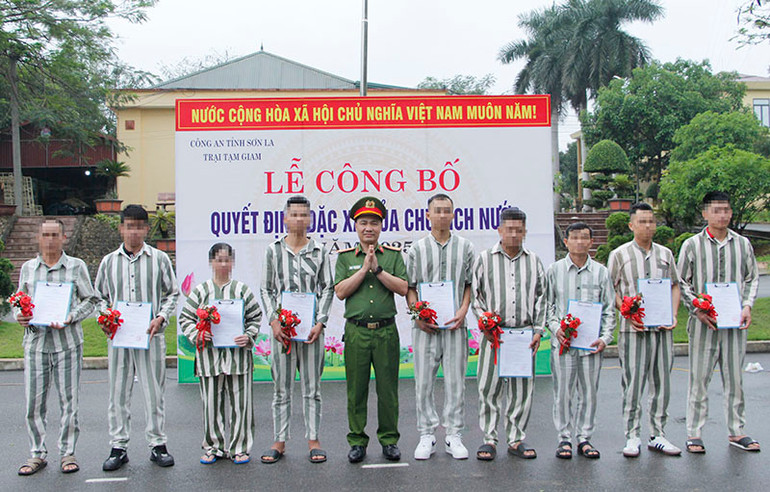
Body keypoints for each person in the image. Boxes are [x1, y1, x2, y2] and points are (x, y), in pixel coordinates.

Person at [94, 205, 179, 471]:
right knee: (118, 393)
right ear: (121, 228)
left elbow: (173, 294)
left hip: (150, 335)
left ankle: (158, 445)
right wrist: (105, 318)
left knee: (154, 392)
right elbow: (98, 297)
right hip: (119, 337)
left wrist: (161, 317)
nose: (133, 231)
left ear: (146, 229)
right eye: (128, 226)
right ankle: (119, 447)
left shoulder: (159, 259)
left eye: (138, 226)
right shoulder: (109, 262)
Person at [677, 191, 760, 453]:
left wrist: (747, 305)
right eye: (716, 210)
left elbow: (752, 278)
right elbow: (681, 282)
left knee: (734, 378)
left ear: (731, 212)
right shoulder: (692, 245)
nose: (721, 215)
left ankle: (737, 431)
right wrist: (696, 309)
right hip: (704, 324)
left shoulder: (742, 244)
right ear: (705, 213)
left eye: (726, 209)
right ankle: (694, 432)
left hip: (734, 322)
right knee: (699, 378)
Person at [15, 219, 97, 475]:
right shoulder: (28, 268)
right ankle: (37, 453)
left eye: (54, 235)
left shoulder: (76, 267)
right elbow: (20, 300)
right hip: (36, 343)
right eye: (45, 235)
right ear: (38, 238)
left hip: (67, 344)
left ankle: (67, 452)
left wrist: (71, 316)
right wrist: (20, 314)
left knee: (69, 401)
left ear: (63, 237)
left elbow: (91, 299)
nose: (50, 239)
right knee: (33, 402)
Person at [259, 195, 334, 464]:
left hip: (312, 330)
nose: (299, 219)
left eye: (304, 215)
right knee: (281, 387)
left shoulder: (320, 250)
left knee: (312, 387)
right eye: (295, 215)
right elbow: (266, 289)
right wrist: (273, 320)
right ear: (285, 218)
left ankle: (314, 440)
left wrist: (320, 321)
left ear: (310, 219)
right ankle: (279, 441)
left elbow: (328, 287)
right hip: (282, 332)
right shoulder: (273, 250)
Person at [334, 196, 408, 463]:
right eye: (363, 222)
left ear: (381, 226)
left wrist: (377, 270)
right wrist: (363, 268)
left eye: (374, 223)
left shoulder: (394, 256)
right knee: (356, 390)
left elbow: (402, 288)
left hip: (386, 332)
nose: (369, 228)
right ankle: (357, 440)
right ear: (355, 225)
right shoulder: (344, 258)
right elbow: (340, 292)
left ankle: (389, 440)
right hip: (356, 332)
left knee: (388, 389)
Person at [607, 202, 682, 458]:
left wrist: (672, 314)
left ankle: (658, 433)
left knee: (662, 381)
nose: (647, 225)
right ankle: (632, 435)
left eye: (651, 221)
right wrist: (625, 311)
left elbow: (675, 285)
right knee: (633, 382)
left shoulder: (665, 254)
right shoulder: (619, 254)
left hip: (661, 328)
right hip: (633, 330)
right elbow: (611, 289)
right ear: (631, 225)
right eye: (642, 221)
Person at [472, 207, 546, 461]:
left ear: (525, 231)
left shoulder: (534, 260)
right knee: (488, 388)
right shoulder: (484, 259)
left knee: (521, 390)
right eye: (509, 229)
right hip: (494, 335)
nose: (514, 234)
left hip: (523, 335)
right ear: (499, 230)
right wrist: (486, 322)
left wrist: (538, 330)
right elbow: (476, 296)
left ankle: (516, 439)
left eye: (519, 230)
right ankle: (489, 439)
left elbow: (541, 297)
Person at [179, 243, 262, 465]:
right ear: (211, 262)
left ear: (233, 262)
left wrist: (248, 336)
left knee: (241, 405)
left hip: (238, 359)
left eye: (227, 259)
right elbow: (185, 318)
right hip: (209, 359)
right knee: (211, 405)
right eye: (219, 259)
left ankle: (240, 447)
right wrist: (197, 333)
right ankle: (213, 446)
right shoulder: (201, 291)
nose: (223, 264)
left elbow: (255, 317)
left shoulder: (242, 290)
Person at [406, 194, 474, 460]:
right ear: (428, 215)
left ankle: (453, 435)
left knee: (456, 382)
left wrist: (463, 310)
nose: (443, 215)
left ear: (453, 215)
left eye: (447, 211)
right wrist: (417, 315)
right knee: (423, 382)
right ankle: (426, 435)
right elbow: (409, 288)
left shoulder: (465, 247)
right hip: (426, 327)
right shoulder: (417, 249)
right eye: (438, 211)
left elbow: (468, 284)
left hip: (455, 325)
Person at [546, 222, 614, 460]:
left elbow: (609, 310)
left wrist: (605, 338)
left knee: (589, 393)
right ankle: (564, 438)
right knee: (562, 392)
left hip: (590, 346)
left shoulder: (601, 272)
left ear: (591, 242)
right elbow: (548, 306)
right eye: (574, 238)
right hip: (563, 346)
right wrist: (556, 330)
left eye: (584, 238)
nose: (579, 242)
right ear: (566, 242)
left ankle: (584, 438)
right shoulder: (554, 271)